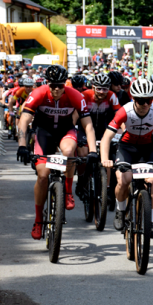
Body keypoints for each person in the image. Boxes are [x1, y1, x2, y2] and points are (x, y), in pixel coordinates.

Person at [16, 65, 98, 240]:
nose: (56, 89)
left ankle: (68, 191)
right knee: (43, 175)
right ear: (47, 83)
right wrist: (22, 145)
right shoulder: (38, 93)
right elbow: (24, 120)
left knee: (69, 151)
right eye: (52, 85)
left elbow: (88, 125)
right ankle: (38, 220)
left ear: (65, 84)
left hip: (65, 131)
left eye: (60, 85)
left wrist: (92, 150)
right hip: (44, 132)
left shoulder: (75, 96)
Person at [102, 79, 153, 237]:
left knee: (152, 181)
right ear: (133, 98)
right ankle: (120, 210)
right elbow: (106, 138)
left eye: (149, 100)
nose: (145, 104)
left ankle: (151, 222)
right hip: (127, 148)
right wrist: (105, 158)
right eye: (140, 100)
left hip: (147, 148)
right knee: (123, 180)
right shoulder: (125, 110)